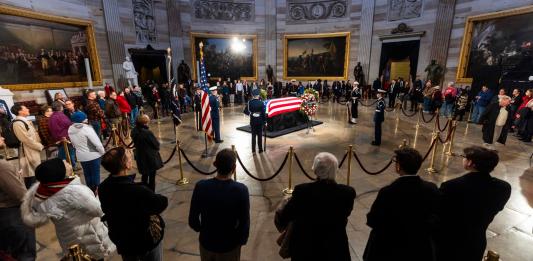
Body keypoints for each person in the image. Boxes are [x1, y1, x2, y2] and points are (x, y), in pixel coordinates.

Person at [20, 158, 115, 260]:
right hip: (89, 236)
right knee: (93, 258)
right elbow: (98, 210)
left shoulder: (44, 191)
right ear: (59, 172)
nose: (68, 163)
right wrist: (97, 196)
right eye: (64, 163)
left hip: (68, 238)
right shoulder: (72, 192)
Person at [275, 152, 355, 261]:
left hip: (305, 249)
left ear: (315, 170)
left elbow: (285, 216)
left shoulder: (302, 191)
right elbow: (345, 214)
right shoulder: (347, 193)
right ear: (336, 170)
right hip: (335, 248)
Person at [363, 148, 439, 261]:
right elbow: (435, 217)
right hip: (419, 248)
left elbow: (373, 220)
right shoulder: (431, 188)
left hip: (388, 249)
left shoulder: (388, 192)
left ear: (398, 166)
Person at [437, 146, 511, 261]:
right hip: (476, 242)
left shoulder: (452, 186)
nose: (463, 159)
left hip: (450, 242)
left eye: (464, 157)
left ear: (471, 163)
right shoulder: (503, 188)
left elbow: (440, 214)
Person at [99, 147, 168, 261]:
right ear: (125, 165)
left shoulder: (103, 187)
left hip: (123, 241)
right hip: (143, 241)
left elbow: (106, 208)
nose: (131, 157)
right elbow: (161, 203)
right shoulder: (138, 191)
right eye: (128, 156)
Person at [189, 149, 250, 261]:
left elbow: (193, 220)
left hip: (207, 243)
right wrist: (240, 241)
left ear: (215, 165)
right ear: (234, 168)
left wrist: (203, 231)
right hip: (229, 246)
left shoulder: (201, 187)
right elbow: (244, 223)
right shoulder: (241, 190)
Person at [0, 136, 36, 260]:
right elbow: (19, 194)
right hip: (12, 214)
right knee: (25, 253)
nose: (3, 138)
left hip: (4, 216)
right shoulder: (2, 166)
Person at [68, 112, 105, 192]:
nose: (87, 119)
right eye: (85, 118)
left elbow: (73, 144)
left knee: (87, 174)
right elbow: (97, 143)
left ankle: (90, 191)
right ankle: (97, 192)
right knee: (95, 174)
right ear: (82, 120)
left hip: (81, 155)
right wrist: (103, 152)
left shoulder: (70, 129)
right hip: (93, 155)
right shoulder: (87, 129)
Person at [11, 104, 43, 188]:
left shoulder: (24, 121)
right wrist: (39, 146)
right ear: (20, 111)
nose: (28, 109)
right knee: (30, 175)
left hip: (32, 150)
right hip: (27, 152)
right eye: (25, 108)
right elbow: (26, 139)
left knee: (36, 173)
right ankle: (31, 196)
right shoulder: (18, 123)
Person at [131, 115, 163, 191]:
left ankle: (144, 191)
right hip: (150, 158)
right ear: (145, 123)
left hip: (140, 156)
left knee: (144, 176)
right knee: (152, 178)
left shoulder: (134, 131)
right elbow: (156, 145)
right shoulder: (147, 133)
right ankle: (151, 193)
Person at [244, 89, 266, 154]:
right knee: (259, 135)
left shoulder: (249, 102)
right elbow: (263, 114)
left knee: (253, 136)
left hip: (253, 121)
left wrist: (252, 114)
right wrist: (265, 121)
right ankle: (260, 149)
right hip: (260, 122)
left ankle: (253, 150)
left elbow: (245, 111)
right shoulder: (261, 103)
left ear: (253, 95)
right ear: (258, 95)